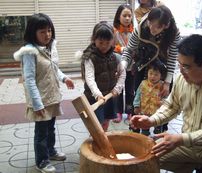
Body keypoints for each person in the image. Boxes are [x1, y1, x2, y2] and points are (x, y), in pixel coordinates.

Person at [130, 34, 202, 173]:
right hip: (187, 144)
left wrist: (181, 139)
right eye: (179, 65)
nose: (181, 71)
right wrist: (151, 120)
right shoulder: (182, 79)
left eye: (186, 66)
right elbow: (172, 106)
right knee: (149, 155)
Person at [13, 13, 75, 173]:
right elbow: (29, 80)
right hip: (40, 100)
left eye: (49, 30)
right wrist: (37, 104)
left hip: (51, 97)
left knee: (51, 128)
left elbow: (54, 68)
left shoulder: (49, 47)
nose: (47, 35)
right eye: (42, 31)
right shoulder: (29, 52)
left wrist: (64, 78)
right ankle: (42, 161)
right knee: (41, 132)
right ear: (33, 33)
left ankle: (51, 151)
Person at [121, 5, 181, 133]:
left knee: (162, 102)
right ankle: (136, 130)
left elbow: (172, 59)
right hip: (143, 65)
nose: (152, 29)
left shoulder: (174, 33)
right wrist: (123, 65)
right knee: (139, 98)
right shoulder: (141, 28)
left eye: (157, 27)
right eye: (150, 23)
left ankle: (160, 131)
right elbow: (129, 50)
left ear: (166, 25)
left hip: (162, 70)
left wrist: (167, 82)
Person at [81, 21, 126, 131]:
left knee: (106, 122)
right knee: (96, 125)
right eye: (101, 42)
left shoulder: (116, 57)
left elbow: (122, 74)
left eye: (108, 42)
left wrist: (117, 88)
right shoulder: (90, 58)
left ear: (112, 41)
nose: (104, 46)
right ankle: (96, 143)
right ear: (94, 40)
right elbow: (89, 79)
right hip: (94, 98)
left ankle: (103, 137)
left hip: (109, 96)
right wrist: (97, 94)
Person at [133, 60, 167, 136]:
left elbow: (167, 98)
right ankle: (145, 137)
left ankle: (158, 138)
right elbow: (137, 95)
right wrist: (136, 105)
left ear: (161, 76)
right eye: (150, 73)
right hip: (144, 110)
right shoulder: (143, 83)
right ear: (147, 73)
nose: (152, 76)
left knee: (158, 128)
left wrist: (164, 103)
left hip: (158, 112)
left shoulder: (162, 86)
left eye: (156, 75)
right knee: (144, 127)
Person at [112, 4, 134, 123]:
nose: (127, 18)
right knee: (118, 90)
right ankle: (118, 112)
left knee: (130, 91)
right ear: (118, 17)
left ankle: (130, 112)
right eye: (124, 15)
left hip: (131, 67)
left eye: (129, 16)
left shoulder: (134, 31)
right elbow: (110, 46)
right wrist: (120, 49)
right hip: (118, 66)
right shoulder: (114, 31)